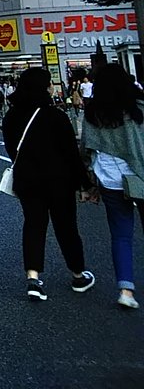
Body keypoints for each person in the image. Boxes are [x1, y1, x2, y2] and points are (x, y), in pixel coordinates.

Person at [2, 67, 97, 301]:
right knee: (66, 227)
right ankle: (77, 274)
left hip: (27, 181)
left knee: (34, 225)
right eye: (49, 83)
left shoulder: (11, 117)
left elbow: (11, 150)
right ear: (44, 87)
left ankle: (33, 278)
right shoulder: (56, 116)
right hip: (59, 181)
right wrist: (84, 184)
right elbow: (71, 155)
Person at [81, 64, 144, 309]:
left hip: (110, 179)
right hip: (139, 175)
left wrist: (88, 182)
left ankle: (126, 291)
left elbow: (86, 149)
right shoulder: (138, 109)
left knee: (121, 234)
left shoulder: (93, 112)